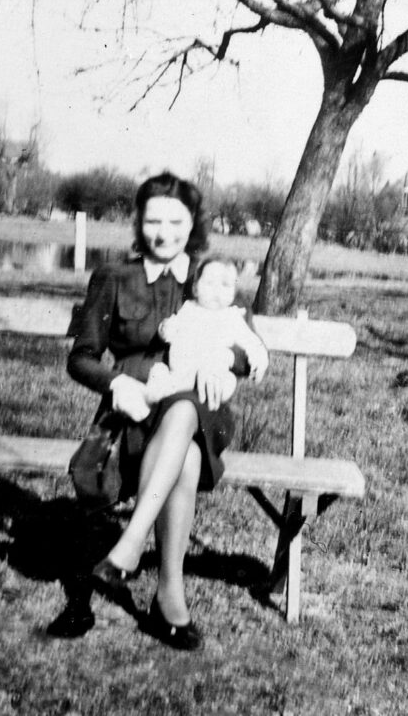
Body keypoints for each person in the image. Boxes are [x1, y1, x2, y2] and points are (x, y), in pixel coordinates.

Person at [46, 172, 267, 649]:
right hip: (134, 411)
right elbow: (80, 358)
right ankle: (169, 599)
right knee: (183, 456)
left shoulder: (210, 277)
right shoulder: (114, 278)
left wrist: (220, 359)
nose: (163, 232)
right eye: (152, 221)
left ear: (194, 224)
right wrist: (117, 381)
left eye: (175, 221)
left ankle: (131, 542)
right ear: (138, 222)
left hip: (204, 410)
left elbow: (247, 351)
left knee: (186, 412)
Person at [144, 256, 268, 407]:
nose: (217, 291)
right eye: (209, 283)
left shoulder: (232, 317)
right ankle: (163, 388)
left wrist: (259, 358)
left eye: (225, 285)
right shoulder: (188, 309)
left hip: (212, 376)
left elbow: (251, 341)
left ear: (234, 293)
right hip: (180, 369)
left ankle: (171, 392)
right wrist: (165, 330)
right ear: (195, 289)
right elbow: (172, 326)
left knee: (228, 383)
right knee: (160, 372)